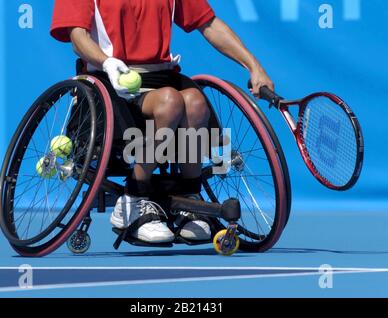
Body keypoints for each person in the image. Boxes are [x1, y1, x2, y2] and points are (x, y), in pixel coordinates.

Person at [51, 0, 274, 244]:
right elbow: (77, 37)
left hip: (162, 77)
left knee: (196, 103)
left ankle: (189, 197)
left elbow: (209, 25)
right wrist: (107, 62)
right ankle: (134, 197)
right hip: (109, 80)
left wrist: (254, 67)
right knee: (170, 102)